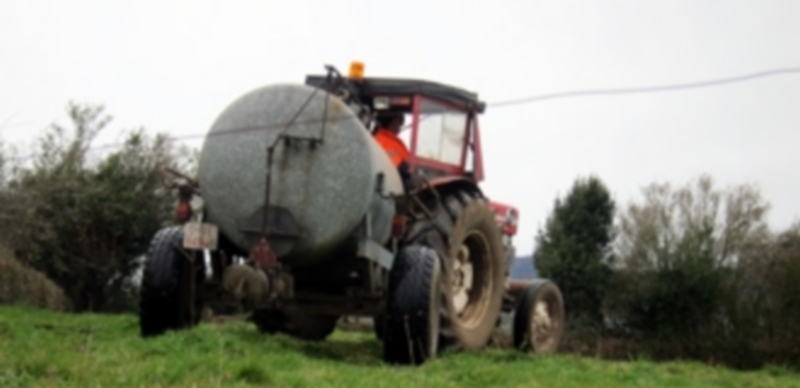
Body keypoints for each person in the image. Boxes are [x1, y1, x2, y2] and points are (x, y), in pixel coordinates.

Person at [373, 111, 415, 187]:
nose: (400, 126)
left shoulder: (379, 137)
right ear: (394, 120)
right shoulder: (385, 140)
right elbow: (394, 166)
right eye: (400, 121)